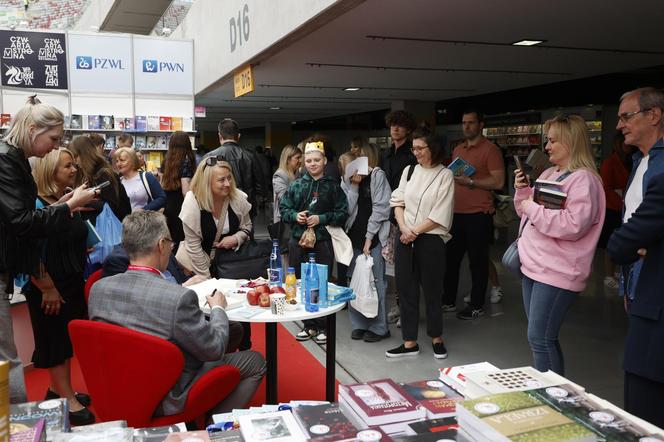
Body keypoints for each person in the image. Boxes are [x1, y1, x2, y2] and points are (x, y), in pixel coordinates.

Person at [89, 211, 266, 417]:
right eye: (171, 243)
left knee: (230, 332)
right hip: (165, 393)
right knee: (256, 361)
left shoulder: (98, 289)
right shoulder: (178, 297)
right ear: (161, 244)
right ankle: (216, 426)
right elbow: (214, 349)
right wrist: (218, 308)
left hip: (116, 388)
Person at [0, 96, 96, 404]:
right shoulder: (6, 160)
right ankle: (13, 428)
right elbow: (22, 223)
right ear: (31, 128)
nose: (55, 147)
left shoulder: (14, 160)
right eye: (53, 139)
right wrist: (68, 206)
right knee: (7, 360)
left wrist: (64, 207)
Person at [513, 114, 605, 375]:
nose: (547, 147)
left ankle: (554, 400)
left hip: (557, 272)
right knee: (540, 338)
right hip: (534, 266)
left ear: (571, 142)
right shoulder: (550, 173)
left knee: (540, 338)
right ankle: (550, 394)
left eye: (553, 141)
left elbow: (572, 226)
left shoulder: (584, 180)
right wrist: (522, 192)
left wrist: (530, 205)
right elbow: (526, 213)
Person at [607, 86, 664, 427]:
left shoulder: (661, 167)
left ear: (654, 115)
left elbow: (627, 238)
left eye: (626, 117)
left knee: (646, 387)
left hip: (653, 280)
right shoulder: (640, 161)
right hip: (637, 276)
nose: (619, 125)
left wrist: (633, 243)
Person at [28, 148, 94, 425]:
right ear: (49, 171)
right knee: (54, 340)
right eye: (67, 166)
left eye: (73, 165)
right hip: (50, 285)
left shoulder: (64, 199)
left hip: (70, 279)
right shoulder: (36, 204)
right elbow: (31, 252)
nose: (73, 170)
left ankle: (57, 389)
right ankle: (65, 396)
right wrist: (46, 287)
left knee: (65, 340)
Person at [386, 124, 454, 359]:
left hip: (431, 241)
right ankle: (409, 342)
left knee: (433, 292)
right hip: (405, 237)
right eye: (413, 148)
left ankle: (437, 337)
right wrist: (404, 229)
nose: (415, 152)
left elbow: (439, 214)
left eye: (420, 148)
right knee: (406, 291)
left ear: (433, 148)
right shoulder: (409, 171)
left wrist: (413, 231)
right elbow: (397, 201)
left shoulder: (445, 175)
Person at [177, 157, 253, 350]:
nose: (227, 183)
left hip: (233, 267)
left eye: (229, 178)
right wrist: (210, 281)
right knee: (210, 313)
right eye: (221, 180)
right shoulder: (193, 202)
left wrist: (236, 238)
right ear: (206, 181)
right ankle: (216, 355)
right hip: (203, 268)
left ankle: (243, 351)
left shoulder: (237, 198)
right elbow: (193, 245)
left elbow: (247, 227)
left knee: (240, 313)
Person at [279, 137, 348, 344]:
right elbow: (284, 208)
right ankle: (308, 325)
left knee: (322, 283)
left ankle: (323, 326)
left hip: (323, 242)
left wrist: (322, 218)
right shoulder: (296, 185)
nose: (312, 164)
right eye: (308, 161)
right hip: (298, 241)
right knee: (300, 283)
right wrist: (295, 216)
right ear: (303, 162)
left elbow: (343, 213)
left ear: (324, 161)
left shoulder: (333, 186)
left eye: (317, 160)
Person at [442, 109, 505, 320]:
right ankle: (448, 301)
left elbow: (498, 182)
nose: (466, 126)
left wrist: (471, 182)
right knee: (451, 260)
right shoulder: (458, 149)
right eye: (464, 122)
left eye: (471, 123)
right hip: (456, 213)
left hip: (479, 213)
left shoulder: (491, 150)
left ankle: (477, 304)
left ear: (481, 125)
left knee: (478, 262)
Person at [341, 144, 391, 343]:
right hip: (352, 236)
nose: (357, 160)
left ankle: (379, 327)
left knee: (375, 282)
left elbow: (381, 209)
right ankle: (359, 324)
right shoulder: (347, 179)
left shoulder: (378, 176)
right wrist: (353, 185)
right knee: (353, 281)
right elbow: (346, 209)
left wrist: (369, 237)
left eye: (360, 156)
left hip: (374, 237)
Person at [379, 110, 418, 326]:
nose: (395, 129)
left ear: (408, 129)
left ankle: (407, 309)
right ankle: (398, 304)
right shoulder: (385, 154)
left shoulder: (412, 155)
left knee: (407, 266)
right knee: (392, 265)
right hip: (388, 213)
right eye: (392, 125)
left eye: (400, 125)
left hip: (407, 213)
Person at [205, 118, 264, 219]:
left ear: (219, 136)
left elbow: (203, 184)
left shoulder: (209, 157)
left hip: (216, 207)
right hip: (246, 207)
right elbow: (260, 185)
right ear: (238, 136)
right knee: (245, 232)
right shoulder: (250, 156)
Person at [68, 135, 131, 224]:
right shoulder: (85, 174)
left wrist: (83, 202)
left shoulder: (104, 175)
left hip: (107, 230)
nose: (75, 162)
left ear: (85, 155)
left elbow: (113, 207)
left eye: (76, 156)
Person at [598, 132, 634, 289]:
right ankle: (608, 274)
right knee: (610, 243)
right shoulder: (610, 163)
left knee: (621, 240)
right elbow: (605, 187)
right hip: (612, 208)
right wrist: (620, 199)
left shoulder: (630, 160)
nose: (628, 145)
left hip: (623, 206)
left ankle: (616, 271)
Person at [161, 131, 196, 250]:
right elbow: (186, 191)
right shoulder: (186, 161)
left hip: (168, 204)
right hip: (181, 205)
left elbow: (162, 184)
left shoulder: (166, 160)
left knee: (171, 241)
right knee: (181, 242)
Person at [272, 145, 302, 264]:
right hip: (285, 224)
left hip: (295, 222)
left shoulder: (297, 174)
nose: (300, 161)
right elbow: (284, 199)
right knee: (286, 258)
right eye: (297, 158)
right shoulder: (280, 175)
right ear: (288, 159)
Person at [114, 147, 166, 212]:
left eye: (122, 160)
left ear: (132, 161)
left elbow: (161, 198)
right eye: (117, 161)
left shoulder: (146, 177)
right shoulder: (118, 182)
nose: (118, 164)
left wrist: (144, 210)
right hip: (124, 221)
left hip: (145, 220)